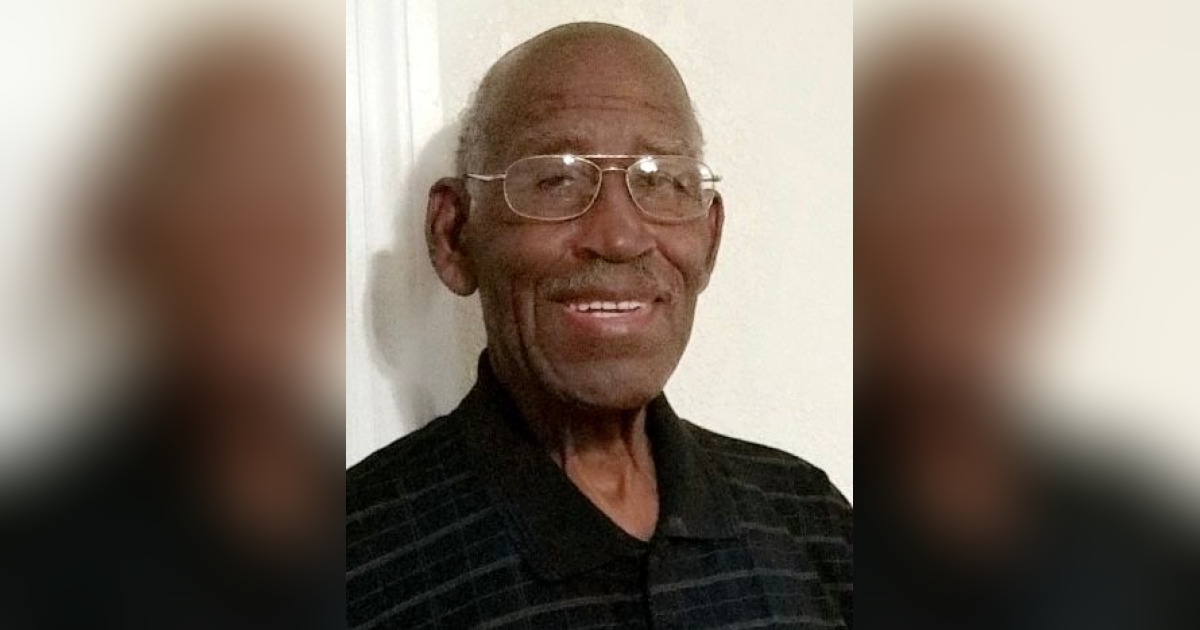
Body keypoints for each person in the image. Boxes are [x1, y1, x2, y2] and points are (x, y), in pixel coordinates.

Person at [347, 22, 852, 629]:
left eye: (660, 180)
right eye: (556, 179)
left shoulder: (810, 521)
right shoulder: (353, 560)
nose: (619, 236)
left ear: (710, 239)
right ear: (453, 236)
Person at [854, 25, 1199, 630]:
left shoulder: (1145, 548)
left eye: (996, 182)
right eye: (919, 180)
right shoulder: (802, 524)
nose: (965, 228)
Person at [1, 32, 343, 629]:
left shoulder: (378, 502)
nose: (266, 227)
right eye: (216, 183)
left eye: (294, 181)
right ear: (125, 230)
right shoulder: (33, 557)